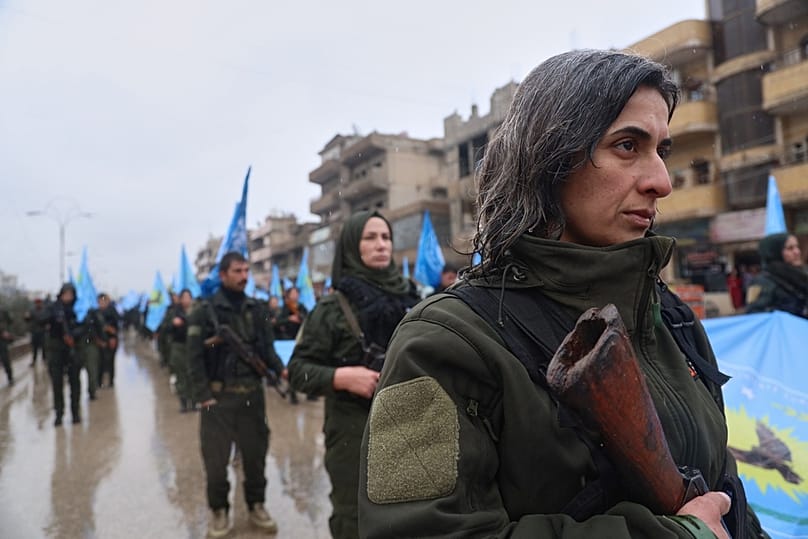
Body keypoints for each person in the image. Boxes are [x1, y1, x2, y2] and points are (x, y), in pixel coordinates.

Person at [358, 50, 768, 539]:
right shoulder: (443, 342)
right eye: (627, 146)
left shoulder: (671, 317)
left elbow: (722, 494)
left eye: (662, 149)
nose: (661, 181)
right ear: (550, 157)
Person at [288, 210, 420, 539]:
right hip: (354, 434)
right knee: (356, 520)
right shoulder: (332, 308)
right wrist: (343, 377)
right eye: (370, 238)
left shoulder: (414, 299)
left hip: (411, 429)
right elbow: (297, 371)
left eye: (386, 237)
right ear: (351, 246)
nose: (381, 245)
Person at [187, 251, 286, 537]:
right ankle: (219, 511)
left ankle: (256, 505)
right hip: (217, 400)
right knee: (216, 461)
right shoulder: (204, 311)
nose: (244, 276)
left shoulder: (256, 309)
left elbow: (268, 350)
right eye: (237, 271)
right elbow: (192, 359)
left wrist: (282, 371)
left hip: (251, 399)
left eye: (246, 271)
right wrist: (203, 395)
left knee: (255, 457)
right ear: (223, 275)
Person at [746, 232, 807, 318]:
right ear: (774, 251)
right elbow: (754, 314)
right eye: (790, 248)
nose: (797, 252)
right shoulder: (761, 282)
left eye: (797, 247)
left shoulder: (801, 276)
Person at [46, 283, 81, 426]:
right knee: (57, 383)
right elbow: (41, 319)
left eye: (71, 294)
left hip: (73, 349)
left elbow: (85, 326)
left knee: (75, 383)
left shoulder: (77, 309)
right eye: (66, 294)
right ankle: (59, 414)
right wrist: (55, 316)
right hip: (56, 351)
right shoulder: (54, 308)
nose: (68, 297)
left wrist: (73, 336)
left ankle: (75, 413)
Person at [169, 288, 194, 412]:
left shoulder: (195, 312)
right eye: (183, 297)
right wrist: (173, 323)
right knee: (181, 374)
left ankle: (193, 402)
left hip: (192, 346)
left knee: (193, 374)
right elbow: (167, 328)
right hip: (179, 346)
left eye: (188, 297)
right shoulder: (174, 312)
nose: (186, 300)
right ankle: (183, 402)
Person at [97, 293, 120, 387]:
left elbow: (117, 325)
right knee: (100, 362)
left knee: (110, 361)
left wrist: (113, 336)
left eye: (104, 301)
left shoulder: (112, 311)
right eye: (101, 301)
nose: (102, 303)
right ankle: (99, 381)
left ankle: (111, 381)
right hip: (99, 340)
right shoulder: (96, 312)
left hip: (111, 339)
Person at [25, 299, 48, 366]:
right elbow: (27, 320)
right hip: (34, 332)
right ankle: (34, 361)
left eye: (39, 303)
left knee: (44, 347)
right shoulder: (32, 311)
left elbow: (47, 320)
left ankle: (44, 360)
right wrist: (26, 317)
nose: (38, 304)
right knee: (34, 348)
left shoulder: (44, 310)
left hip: (42, 332)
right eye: (36, 303)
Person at [0, 305, 14, 385]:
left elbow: (10, 321)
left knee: (5, 360)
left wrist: (8, 333)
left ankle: (10, 378)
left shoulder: (3, 311)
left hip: (2, 339)